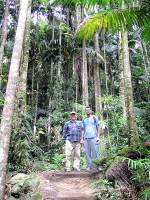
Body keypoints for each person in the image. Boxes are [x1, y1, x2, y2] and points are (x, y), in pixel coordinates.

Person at [81, 106, 102, 171]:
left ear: (91, 111)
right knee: (87, 153)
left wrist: (98, 137)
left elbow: (98, 127)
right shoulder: (84, 120)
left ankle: (98, 166)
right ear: (85, 111)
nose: (87, 111)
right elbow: (83, 130)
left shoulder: (94, 118)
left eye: (88, 110)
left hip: (94, 138)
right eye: (86, 110)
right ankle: (89, 166)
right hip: (86, 139)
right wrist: (82, 138)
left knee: (96, 152)